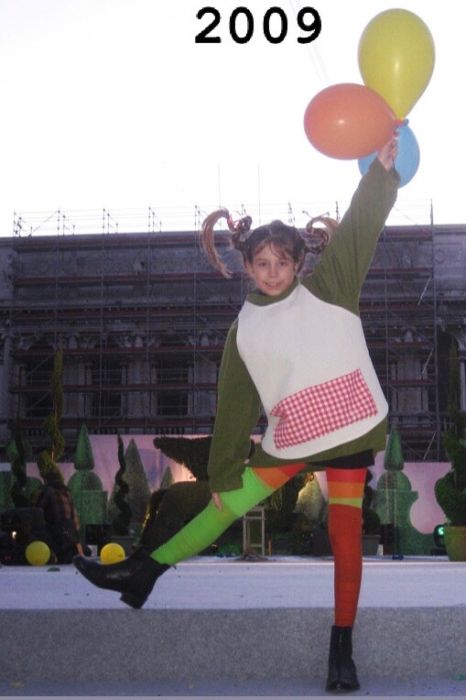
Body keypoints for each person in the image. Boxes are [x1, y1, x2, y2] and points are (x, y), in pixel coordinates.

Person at [73, 136, 399, 693]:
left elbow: (360, 229)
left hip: (348, 427)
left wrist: (381, 175)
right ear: (246, 265)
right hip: (295, 436)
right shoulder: (243, 330)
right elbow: (235, 407)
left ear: (299, 263)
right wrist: (224, 471)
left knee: (346, 535)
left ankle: (341, 647)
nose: (273, 272)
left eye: (283, 263)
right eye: (262, 263)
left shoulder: (331, 286)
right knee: (223, 505)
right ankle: (141, 572)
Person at [35, 472, 83, 563]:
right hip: (69, 531)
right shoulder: (67, 493)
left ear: (46, 480)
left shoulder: (47, 491)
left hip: (54, 530)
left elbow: (38, 511)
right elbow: (74, 516)